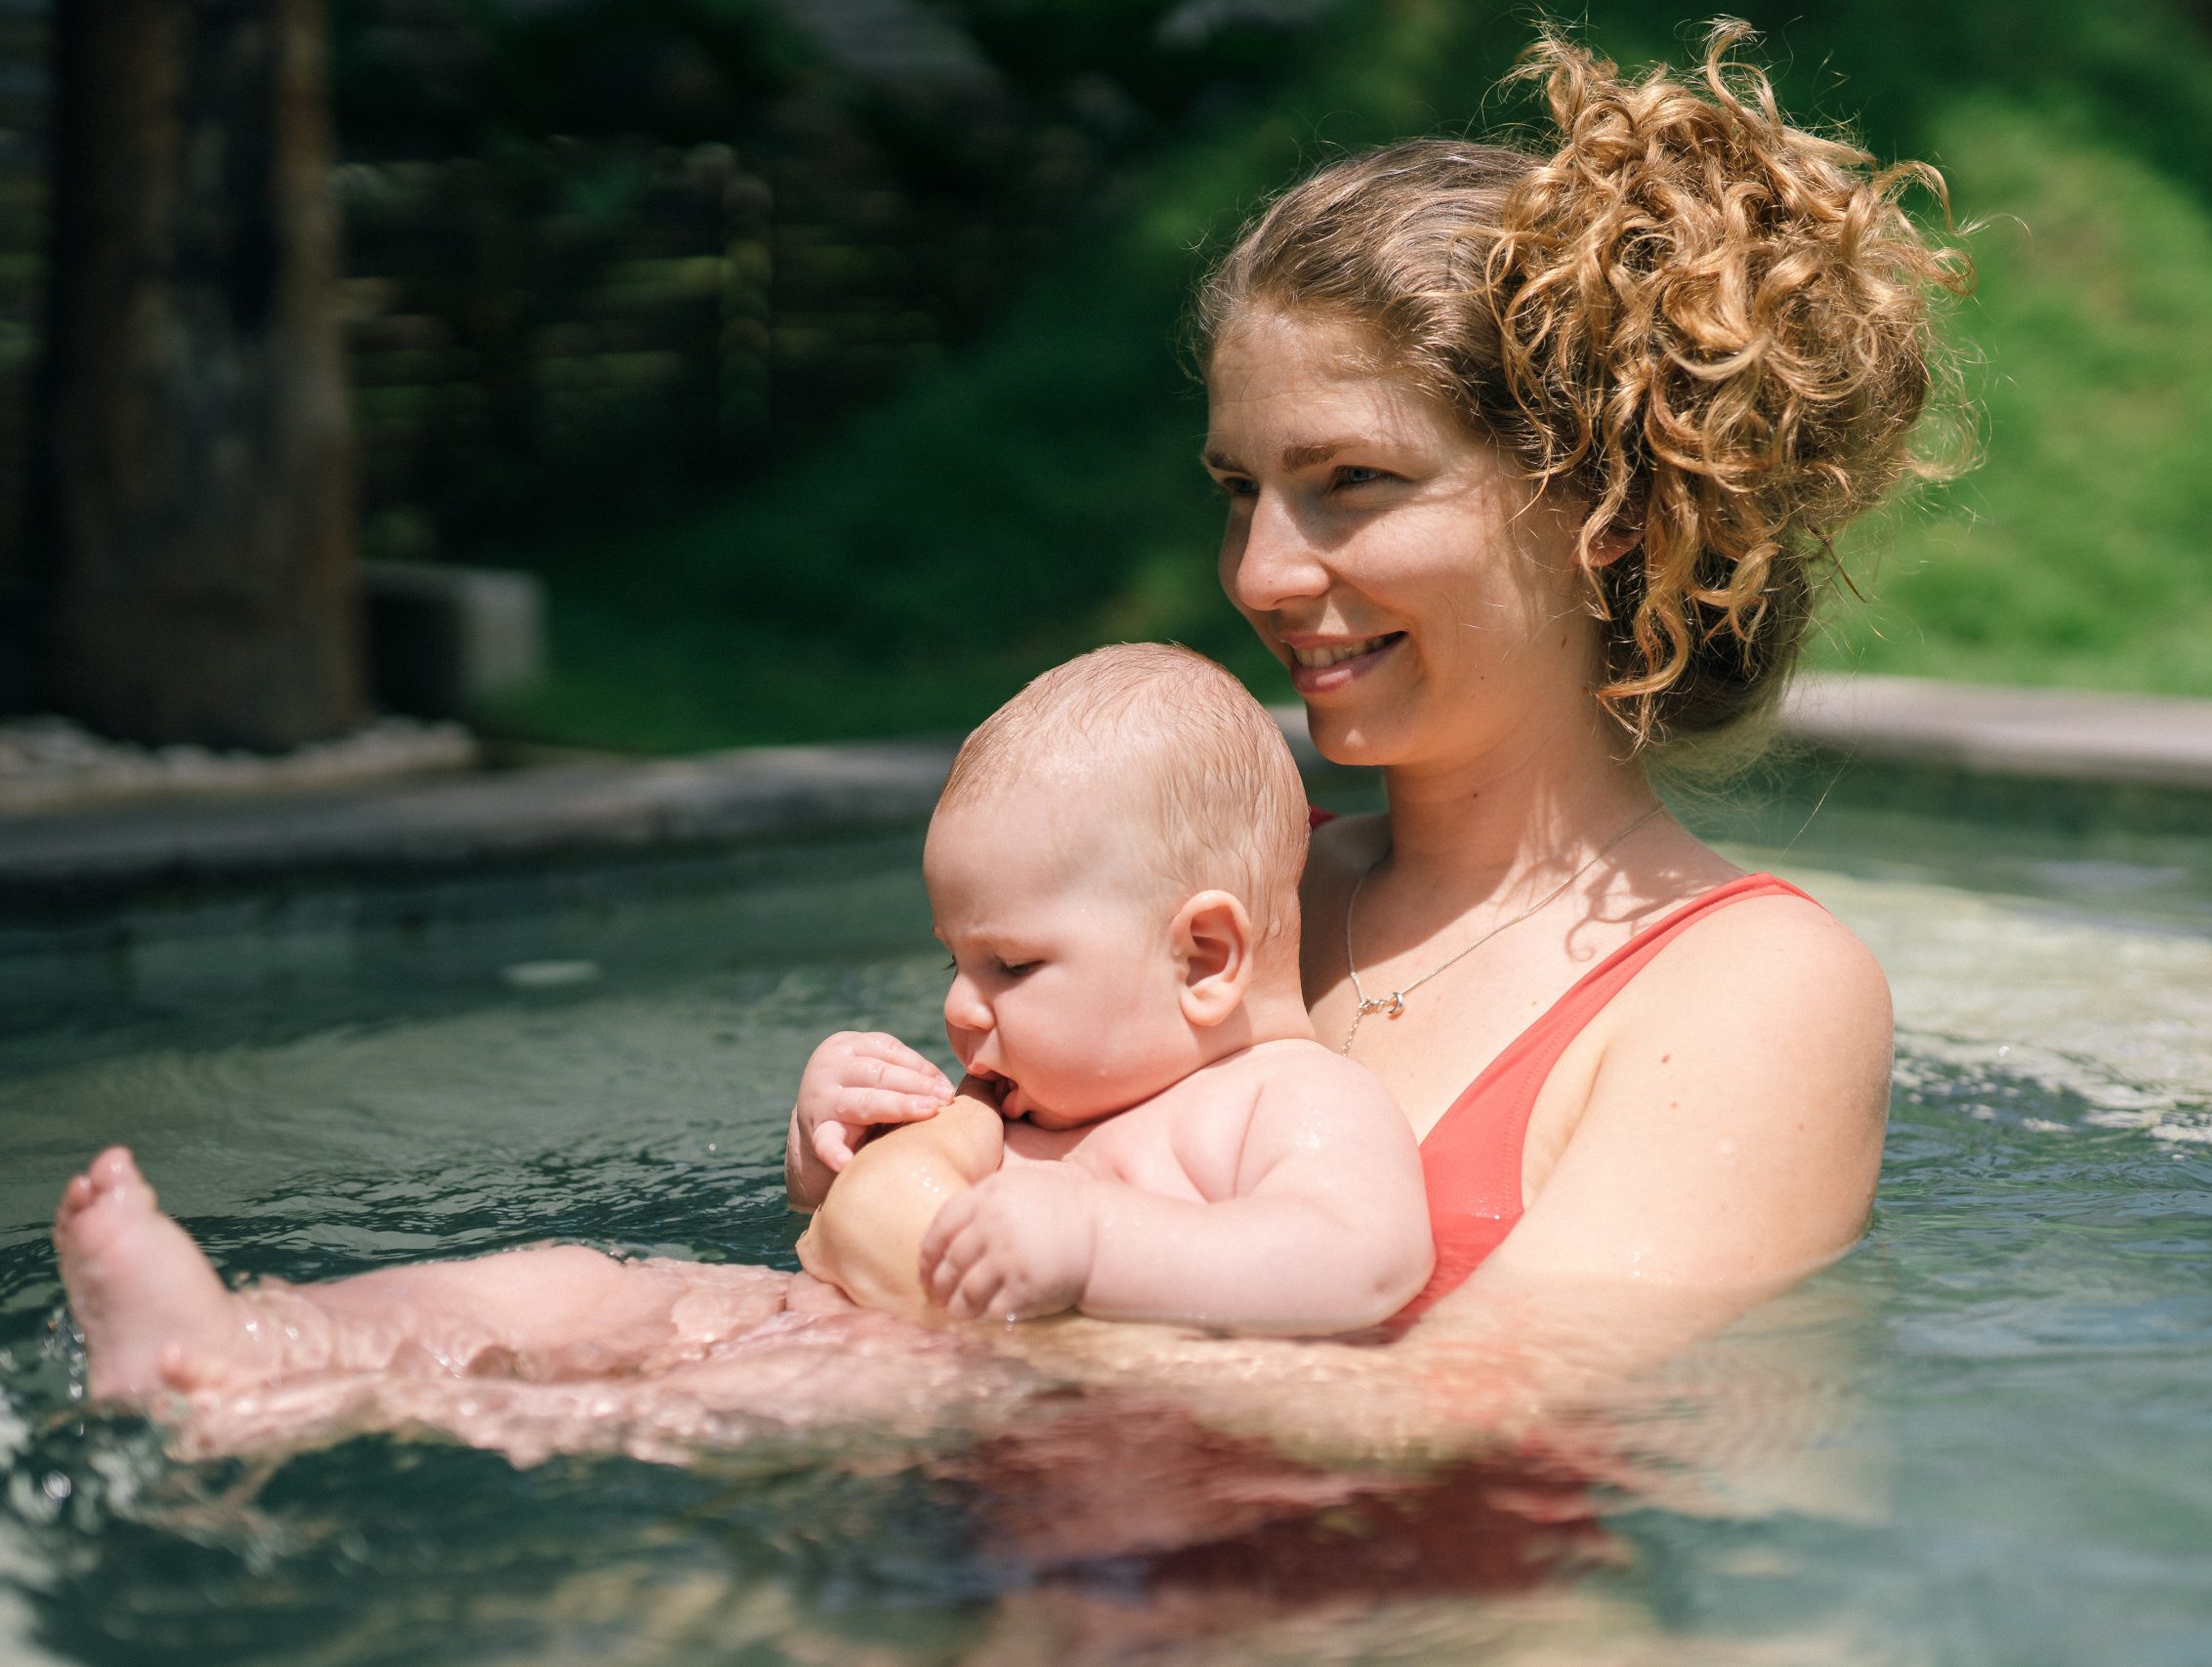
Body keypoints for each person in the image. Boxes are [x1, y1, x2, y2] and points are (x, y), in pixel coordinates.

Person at [789, 24, 1958, 1382]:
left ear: (1609, 513)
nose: (1261, 573)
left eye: (1353, 481)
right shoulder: (1226, 894)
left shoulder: (1756, 993)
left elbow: (1457, 1420)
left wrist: (930, 1266)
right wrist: (859, 1159)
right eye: (1240, 490)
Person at [51, 646, 1434, 1409]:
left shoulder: (1284, 1100)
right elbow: (846, 1222)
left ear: (1204, 956)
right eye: (954, 958)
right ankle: (243, 1338)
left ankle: (303, 1398)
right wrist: (824, 1142)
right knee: (560, 1280)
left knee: (652, 1400)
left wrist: (1093, 1240)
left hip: (950, 1386)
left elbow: (1359, 1260)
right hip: (802, 1307)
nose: (962, 1006)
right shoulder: (1028, 1090)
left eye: (1009, 964)